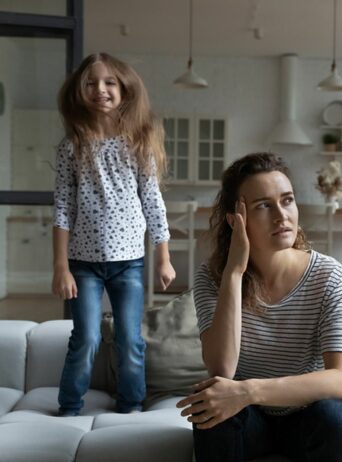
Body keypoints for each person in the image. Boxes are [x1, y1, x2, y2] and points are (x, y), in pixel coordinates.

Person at [176, 153, 342, 461]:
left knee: (336, 416)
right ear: (235, 219)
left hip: (307, 418)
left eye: (287, 201)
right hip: (246, 419)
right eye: (263, 205)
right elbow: (222, 368)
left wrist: (249, 391)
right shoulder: (212, 276)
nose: (281, 215)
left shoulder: (329, 276)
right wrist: (234, 272)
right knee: (211, 411)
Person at [52, 52, 176, 416]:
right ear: (79, 91)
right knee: (86, 337)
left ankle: (131, 404)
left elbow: (153, 202)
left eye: (109, 83)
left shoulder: (138, 143)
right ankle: (70, 407)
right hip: (82, 265)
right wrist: (61, 267)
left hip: (129, 264)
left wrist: (163, 257)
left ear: (124, 90)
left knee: (129, 339)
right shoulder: (71, 146)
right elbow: (62, 208)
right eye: (91, 83)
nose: (100, 90)